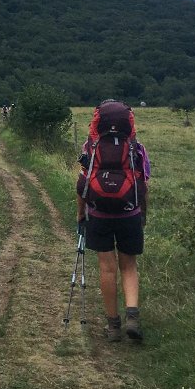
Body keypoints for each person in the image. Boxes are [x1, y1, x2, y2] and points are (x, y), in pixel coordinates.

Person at [75, 100, 150, 342]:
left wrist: (81, 213)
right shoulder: (136, 148)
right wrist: (142, 213)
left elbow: (82, 184)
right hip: (129, 213)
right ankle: (132, 316)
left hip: (99, 214)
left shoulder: (90, 146)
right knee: (129, 266)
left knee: (107, 269)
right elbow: (144, 183)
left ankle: (113, 326)